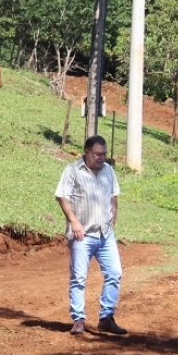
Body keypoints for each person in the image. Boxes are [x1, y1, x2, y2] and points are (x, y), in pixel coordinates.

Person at [55, 134, 127, 336]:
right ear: (87, 152)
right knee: (79, 278)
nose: (101, 157)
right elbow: (62, 197)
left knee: (114, 273)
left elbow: (114, 195)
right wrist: (74, 221)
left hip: (105, 234)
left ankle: (106, 318)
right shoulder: (72, 171)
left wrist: (113, 214)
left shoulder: (108, 170)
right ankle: (78, 320)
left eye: (104, 154)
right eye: (97, 154)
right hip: (82, 235)